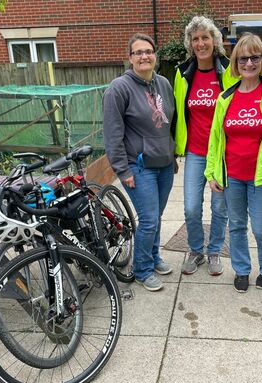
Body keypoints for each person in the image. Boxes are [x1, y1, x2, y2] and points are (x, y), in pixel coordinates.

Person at [205, 32, 262, 293]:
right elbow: (215, 139)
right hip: (233, 176)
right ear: (235, 62)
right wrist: (211, 173)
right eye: (243, 58)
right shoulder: (225, 98)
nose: (249, 63)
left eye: (255, 57)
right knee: (238, 225)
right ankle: (242, 269)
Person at [103, 33, 175, 292]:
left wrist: (172, 153)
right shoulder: (119, 88)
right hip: (139, 167)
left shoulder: (164, 84)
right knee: (148, 220)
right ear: (130, 57)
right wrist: (123, 170)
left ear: (155, 55)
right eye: (138, 52)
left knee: (157, 217)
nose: (144, 56)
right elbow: (112, 135)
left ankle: (154, 257)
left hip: (165, 165)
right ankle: (142, 269)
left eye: (149, 51)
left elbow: (170, 124)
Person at [174, 16, 238, 277]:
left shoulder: (229, 70)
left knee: (219, 207)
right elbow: (176, 112)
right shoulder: (182, 72)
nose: (200, 43)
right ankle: (195, 249)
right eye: (195, 38)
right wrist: (174, 148)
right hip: (195, 152)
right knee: (191, 207)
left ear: (216, 41)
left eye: (205, 37)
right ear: (190, 43)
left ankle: (214, 252)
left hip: (222, 154)